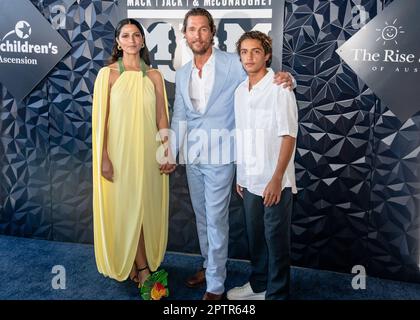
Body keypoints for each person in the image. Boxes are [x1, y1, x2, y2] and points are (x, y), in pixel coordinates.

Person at [170, 8, 296, 300]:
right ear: (185, 35)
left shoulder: (234, 62)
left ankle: (215, 284)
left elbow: (265, 79)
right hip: (193, 157)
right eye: (192, 29)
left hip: (223, 155)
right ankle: (209, 264)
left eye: (204, 29)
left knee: (216, 220)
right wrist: (170, 152)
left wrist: (289, 81)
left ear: (212, 32)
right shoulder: (183, 72)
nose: (198, 35)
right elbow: (180, 115)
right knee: (202, 218)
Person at [92, 18, 175, 287]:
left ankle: (135, 263)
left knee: (144, 206)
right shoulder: (108, 75)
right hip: (119, 154)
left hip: (148, 154)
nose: (131, 40)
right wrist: (103, 157)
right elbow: (101, 121)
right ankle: (141, 267)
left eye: (136, 35)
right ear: (118, 41)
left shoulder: (154, 76)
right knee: (127, 207)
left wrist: (166, 149)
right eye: (125, 35)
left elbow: (162, 116)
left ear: (142, 41)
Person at [227, 31, 298, 300]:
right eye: (244, 52)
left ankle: (277, 294)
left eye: (256, 51)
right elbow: (243, 135)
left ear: (267, 54)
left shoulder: (280, 88)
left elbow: (289, 135)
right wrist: (240, 174)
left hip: (274, 181)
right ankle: (259, 286)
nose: (249, 57)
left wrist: (277, 178)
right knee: (255, 238)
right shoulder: (239, 92)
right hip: (249, 180)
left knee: (276, 241)